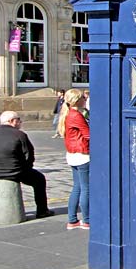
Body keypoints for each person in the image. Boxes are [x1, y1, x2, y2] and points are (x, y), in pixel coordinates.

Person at [0, 111, 54, 219]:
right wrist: (26, 168)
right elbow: (29, 155)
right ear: (12, 121)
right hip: (16, 171)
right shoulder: (20, 135)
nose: (20, 122)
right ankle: (42, 211)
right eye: (18, 120)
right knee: (39, 179)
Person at [58, 89, 90, 229]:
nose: (85, 99)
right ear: (78, 100)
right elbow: (88, 135)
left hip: (72, 153)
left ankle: (72, 219)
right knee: (86, 188)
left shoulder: (68, 114)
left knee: (77, 187)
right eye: (83, 98)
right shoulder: (76, 115)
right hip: (82, 154)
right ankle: (87, 220)